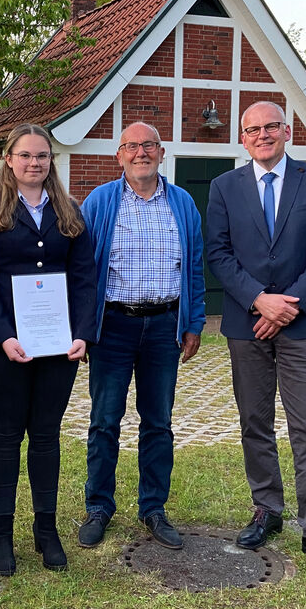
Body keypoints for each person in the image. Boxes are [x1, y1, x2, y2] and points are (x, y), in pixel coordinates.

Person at [205, 101, 306, 575]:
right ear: (241, 139)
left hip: (301, 325)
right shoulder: (225, 187)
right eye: (253, 130)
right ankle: (266, 508)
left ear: (286, 131)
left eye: (270, 127)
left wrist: (287, 306)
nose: (262, 135)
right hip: (247, 326)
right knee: (255, 420)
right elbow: (219, 254)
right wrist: (258, 301)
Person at [0, 123, 97, 576]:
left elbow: (84, 279)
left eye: (42, 156)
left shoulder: (70, 212)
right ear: (9, 159)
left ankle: (47, 530)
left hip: (58, 348)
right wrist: (4, 336)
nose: (34, 163)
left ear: (50, 161)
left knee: (45, 436)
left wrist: (83, 333)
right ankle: (1, 535)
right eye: (25, 156)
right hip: (4, 348)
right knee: (5, 438)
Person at [78, 122, 205, 550]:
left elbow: (195, 267)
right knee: (104, 420)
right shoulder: (99, 202)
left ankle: (153, 507)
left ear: (161, 152)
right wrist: (83, 327)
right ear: (120, 155)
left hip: (164, 327)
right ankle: (99, 506)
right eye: (131, 147)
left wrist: (194, 322)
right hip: (113, 326)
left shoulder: (183, 203)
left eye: (148, 145)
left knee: (158, 423)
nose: (140, 153)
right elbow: (82, 269)